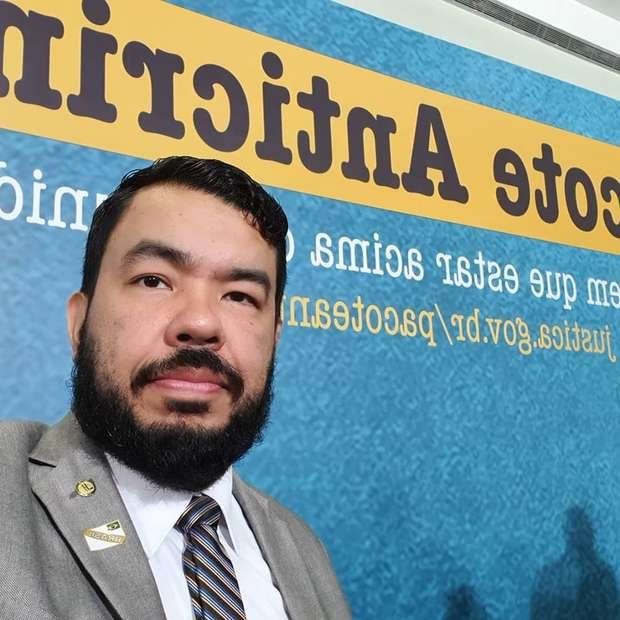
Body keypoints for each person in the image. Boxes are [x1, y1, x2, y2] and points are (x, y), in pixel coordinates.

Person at [0, 157, 351, 620]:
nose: (201, 323)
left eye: (240, 296)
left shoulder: (302, 549)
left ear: (274, 337)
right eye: (154, 281)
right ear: (79, 324)